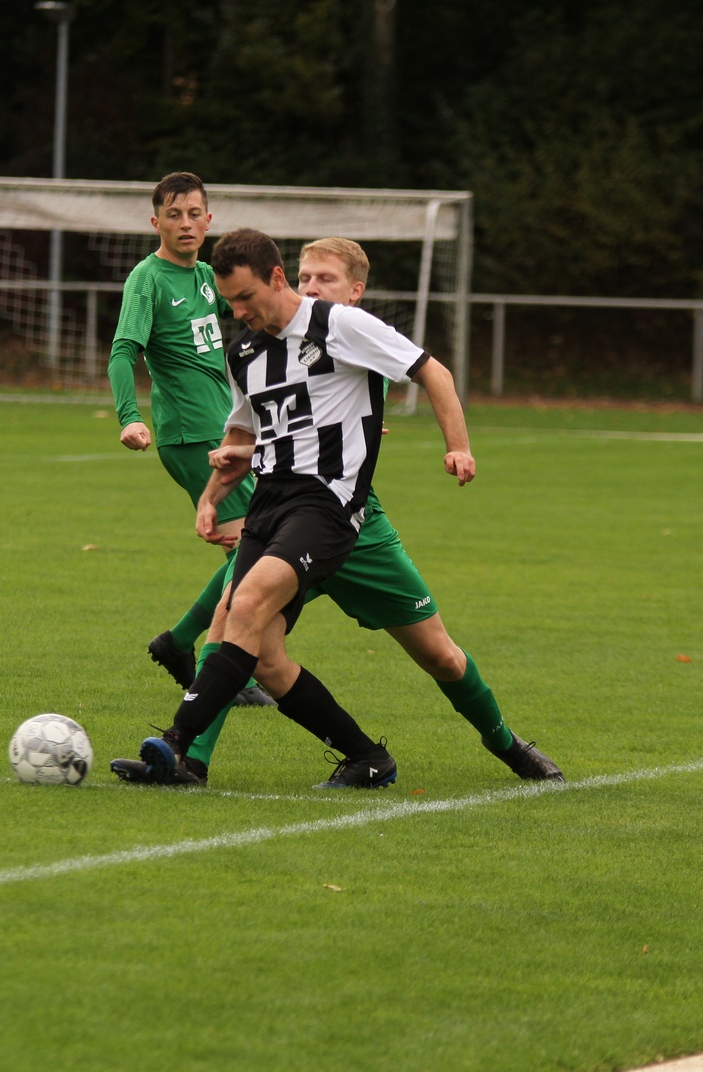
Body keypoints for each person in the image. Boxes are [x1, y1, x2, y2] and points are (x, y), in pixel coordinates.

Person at [111, 238, 563, 785]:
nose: (313, 287)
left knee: (440, 657)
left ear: (353, 289)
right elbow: (251, 429)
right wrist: (213, 490)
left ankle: (508, 745)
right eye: (308, 277)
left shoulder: (346, 329)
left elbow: (430, 373)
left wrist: (459, 446)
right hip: (276, 509)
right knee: (240, 628)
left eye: (325, 278)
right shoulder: (247, 351)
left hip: (346, 520)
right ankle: (202, 758)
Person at [108, 172, 272, 707]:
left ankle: (181, 643)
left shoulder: (208, 275)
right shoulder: (147, 279)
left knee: (257, 546)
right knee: (259, 548)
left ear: (209, 219)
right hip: (188, 435)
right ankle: (216, 668)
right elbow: (122, 350)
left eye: (194, 213)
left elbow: (258, 319)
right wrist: (129, 416)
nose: (186, 223)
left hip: (226, 430)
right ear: (155, 222)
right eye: (174, 215)